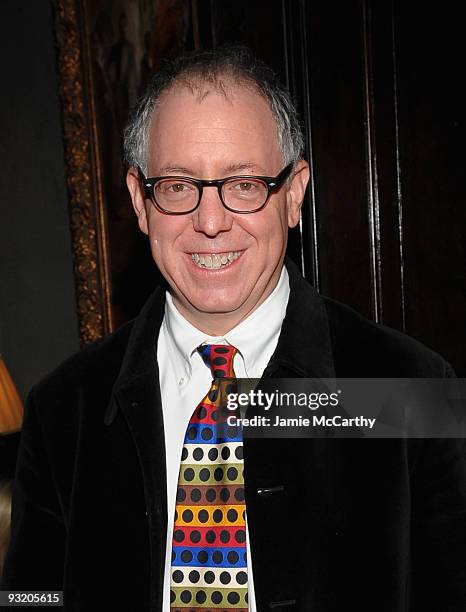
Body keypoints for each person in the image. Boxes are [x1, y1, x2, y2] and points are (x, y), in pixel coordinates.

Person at [2, 45, 465, 611]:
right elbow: (30, 597)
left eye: (244, 184)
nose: (211, 221)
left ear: (293, 194)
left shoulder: (408, 391)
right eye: (177, 185)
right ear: (139, 202)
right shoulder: (62, 410)